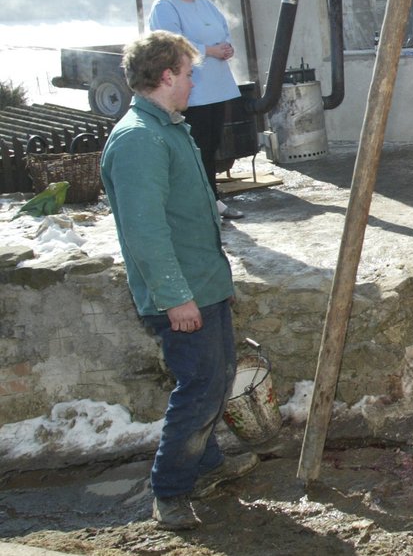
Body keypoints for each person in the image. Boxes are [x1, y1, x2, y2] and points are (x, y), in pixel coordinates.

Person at [100, 31, 258, 529]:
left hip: (203, 282)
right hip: (183, 293)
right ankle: (169, 491)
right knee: (199, 387)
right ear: (167, 77)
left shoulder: (168, 128)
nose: (194, 81)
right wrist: (175, 299)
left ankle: (206, 465)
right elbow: (146, 233)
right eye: (189, 73)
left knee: (216, 377)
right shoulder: (139, 141)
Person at [149, 0, 244, 220]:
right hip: (190, 89)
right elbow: (170, 44)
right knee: (197, 146)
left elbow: (223, 29)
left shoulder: (205, 4)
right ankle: (202, 203)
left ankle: (212, 200)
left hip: (216, 85)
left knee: (212, 144)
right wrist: (208, 50)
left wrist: (225, 47)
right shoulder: (165, 6)